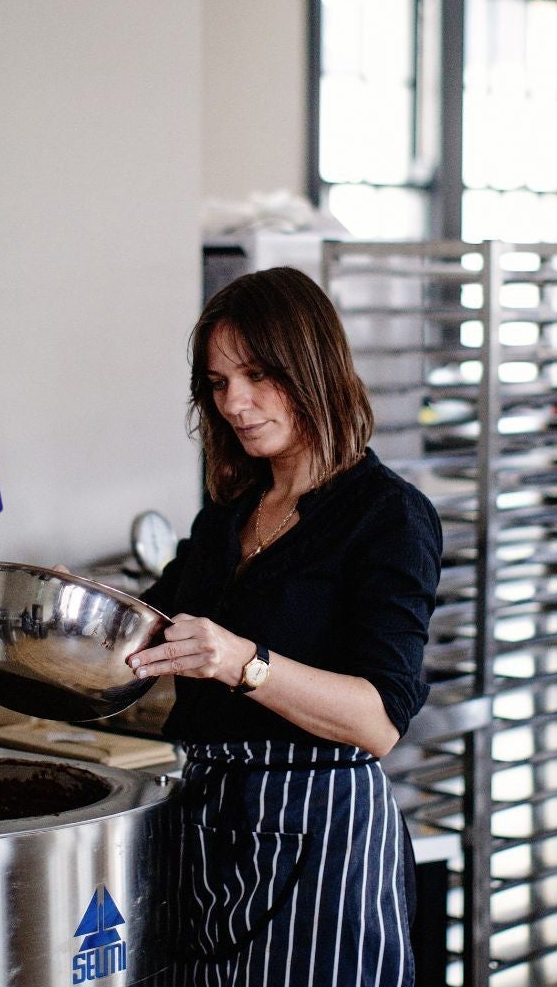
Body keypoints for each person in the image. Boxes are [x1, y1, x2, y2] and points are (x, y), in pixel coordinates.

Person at [129, 265, 442, 986]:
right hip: (208, 834)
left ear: (313, 367)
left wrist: (243, 662)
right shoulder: (227, 516)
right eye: (217, 382)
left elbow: (378, 722)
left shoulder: (388, 517)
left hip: (323, 848)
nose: (235, 402)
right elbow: (145, 629)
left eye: (257, 375)